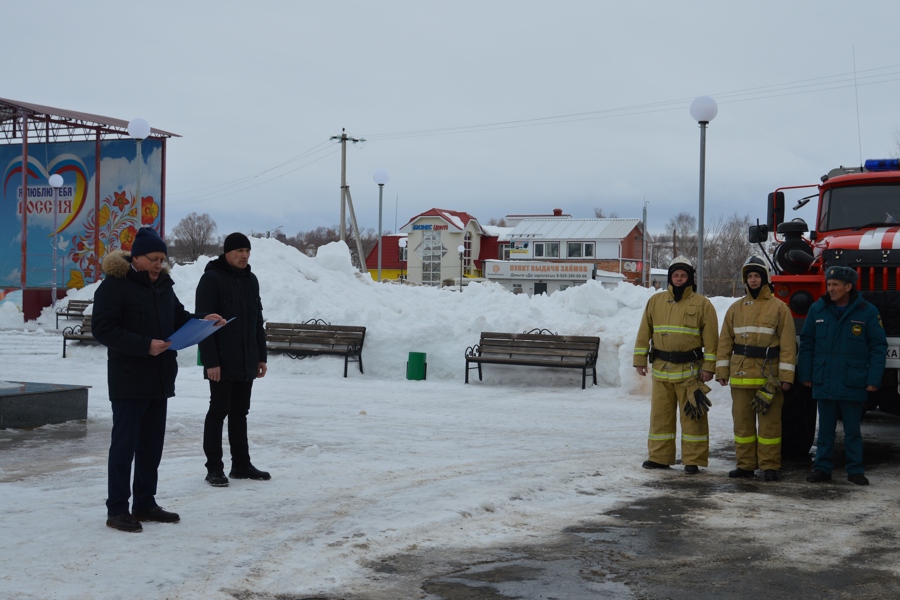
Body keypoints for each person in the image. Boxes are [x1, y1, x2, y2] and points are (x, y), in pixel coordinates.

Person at [92, 227, 224, 532]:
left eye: (162, 259)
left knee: (152, 446)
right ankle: (117, 509)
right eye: (153, 259)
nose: (158, 264)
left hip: (159, 378)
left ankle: (144, 503)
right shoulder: (115, 286)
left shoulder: (164, 285)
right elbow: (102, 328)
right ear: (136, 257)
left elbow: (177, 317)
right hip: (128, 379)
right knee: (124, 447)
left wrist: (202, 322)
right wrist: (144, 345)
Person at [798, 265, 886, 486]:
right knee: (825, 430)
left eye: (835, 285)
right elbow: (807, 343)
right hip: (824, 379)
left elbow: (878, 346)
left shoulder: (867, 312)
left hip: (852, 380)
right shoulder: (817, 310)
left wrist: (874, 379)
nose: (830, 289)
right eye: (829, 284)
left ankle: (855, 470)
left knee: (853, 431)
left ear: (848, 286)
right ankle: (822, 469)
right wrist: (805, 374)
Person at [196, 232, 270, 487]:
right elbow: (202, 323)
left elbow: (256, 321)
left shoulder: (251, 280)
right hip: (221, 361)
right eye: (239, 251)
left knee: (240, 412)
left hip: (246, 358)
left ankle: (241, 464)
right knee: (218, 411)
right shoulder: (211, 279)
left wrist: (261, 356)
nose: (244, 255)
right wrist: (211, 362)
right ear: (227, 253)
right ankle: (214, 468)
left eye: (247, 251)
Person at [633, 256, 718, 474]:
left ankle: (693, 460)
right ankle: (659, 458)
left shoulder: (703, 305)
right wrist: (639, 360)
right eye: (675, 275)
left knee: (693, 417)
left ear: (690, 278)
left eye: (683, 275)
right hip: (662, 369)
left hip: (690, 372)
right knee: (660, 417)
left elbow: (711, 340)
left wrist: (709, 366)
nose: (679, 279)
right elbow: (644, 333)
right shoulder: (655, 301)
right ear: (670, 277)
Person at [715, 256, 796, 482]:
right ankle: (745, 465)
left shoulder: (780, 308)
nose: (753, 280)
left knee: (770, 427)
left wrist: (786, 377)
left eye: (757, 275)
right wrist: (721, 371)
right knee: (742, 425)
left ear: (765, 279)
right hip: (740, 379)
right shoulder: (735, 309)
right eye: (749, 276)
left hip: (767, 379)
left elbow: (788, 346)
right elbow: (725, 342)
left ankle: (770, 466)